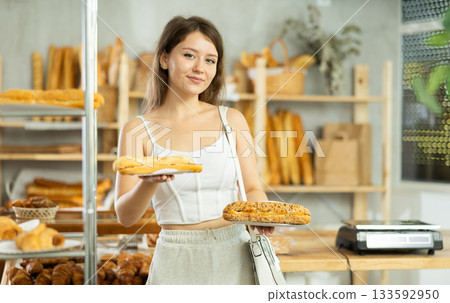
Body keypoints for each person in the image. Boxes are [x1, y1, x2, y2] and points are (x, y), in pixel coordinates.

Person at [114, 16, 273, 285]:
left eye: (210, 60)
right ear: (164, 59)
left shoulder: (231, 120)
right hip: (175, 257)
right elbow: (126, 217)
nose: (200, 68)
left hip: (234, 252)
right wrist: (148, 183)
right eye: (189, 55)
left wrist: (262, 213)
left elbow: (252, 187)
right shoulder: (136, 130)